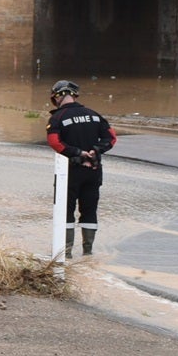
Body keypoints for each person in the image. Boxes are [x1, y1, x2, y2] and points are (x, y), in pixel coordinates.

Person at [46, 79, 116, 257]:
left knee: (66, 210)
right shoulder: (94, 115)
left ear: (56, 97)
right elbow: (112, 138)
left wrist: (77, 153)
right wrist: (95, 151)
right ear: (75, 95)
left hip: (69, 172)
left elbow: (54, 142)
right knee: (89, 210)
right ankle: (88, 252)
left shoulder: (57, 118)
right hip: (93, 170)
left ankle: (66, 254)